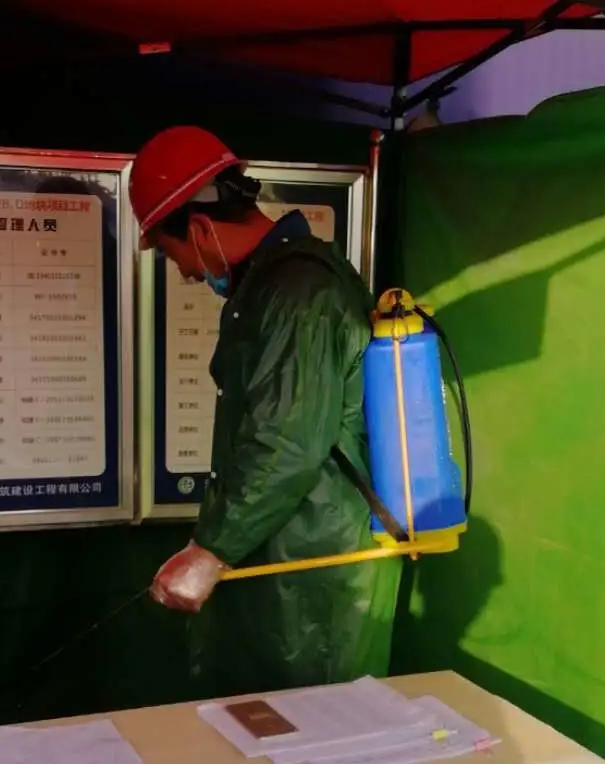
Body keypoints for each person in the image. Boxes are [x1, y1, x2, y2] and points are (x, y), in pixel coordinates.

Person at [130, 125, 401, 699]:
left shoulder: (298, 292)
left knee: (315, 735)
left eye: (175, 254)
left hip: (317, 579)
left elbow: (285, 443)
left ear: (200, 229)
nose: (186, 272)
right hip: (294, 565)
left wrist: (211, 551)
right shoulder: (277, 285)